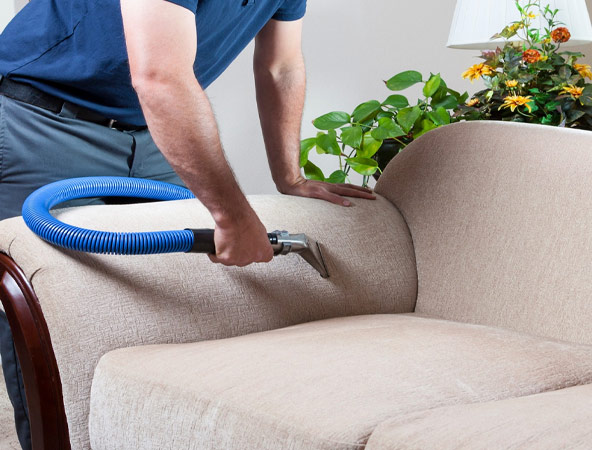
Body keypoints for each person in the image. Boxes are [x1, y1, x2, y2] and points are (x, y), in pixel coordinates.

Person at [0, 0, 376, 447]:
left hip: (148, 128)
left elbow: (281, 66)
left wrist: (289, 176)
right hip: (43, 116)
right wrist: (232, 216)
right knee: (41, 309)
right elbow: (159, 77)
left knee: (167, 291)